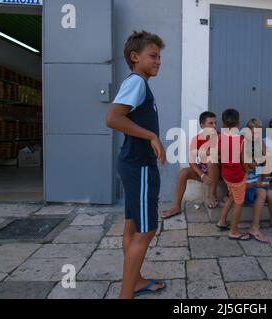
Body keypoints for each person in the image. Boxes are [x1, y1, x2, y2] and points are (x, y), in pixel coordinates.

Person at [106, 30, 167, 299]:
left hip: (133, 164)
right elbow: (113, 119)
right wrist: (151, 136)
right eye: (153, 55)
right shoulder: (137, 83)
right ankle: (125, 295)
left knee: (133, 225)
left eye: (159, 56)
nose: (158, 61)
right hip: (139, 167)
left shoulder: (138, 83)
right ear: (135, 56)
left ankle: (136, 280)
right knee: (146, 229)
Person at [160, 112, 220, 219]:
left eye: (215, 123)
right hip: (204, 171)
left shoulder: (220, 137)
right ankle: (176, 206)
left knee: (211, 159)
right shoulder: (197, 139)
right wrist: (202, 175)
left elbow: (226, 158)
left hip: (219, 172)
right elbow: (191, 161)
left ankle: (211, 194)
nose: (214, 126)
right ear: (202, 125)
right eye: (210, 123)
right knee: (183, 172)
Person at [243, 118, 272, 244]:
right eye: (252, 132)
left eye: (258, 132)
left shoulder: (260, 144)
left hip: (257, 181)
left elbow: (267, 157)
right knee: (262, 193)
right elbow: (246, 165)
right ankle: (254, 227)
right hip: (246, 184)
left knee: (271, 195)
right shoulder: (243, 145)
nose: (255, 135)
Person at [216, 109, 251, 241]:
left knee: (232, 196)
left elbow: (218, 154)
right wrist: (248, 170)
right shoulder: (241, 140)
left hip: (226, 174)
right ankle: (234, 231)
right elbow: (244, 161)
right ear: (238, 123)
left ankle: (222, 221)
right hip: (237, 176)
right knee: (239, 202)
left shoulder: (220, 137)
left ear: (223, 123)